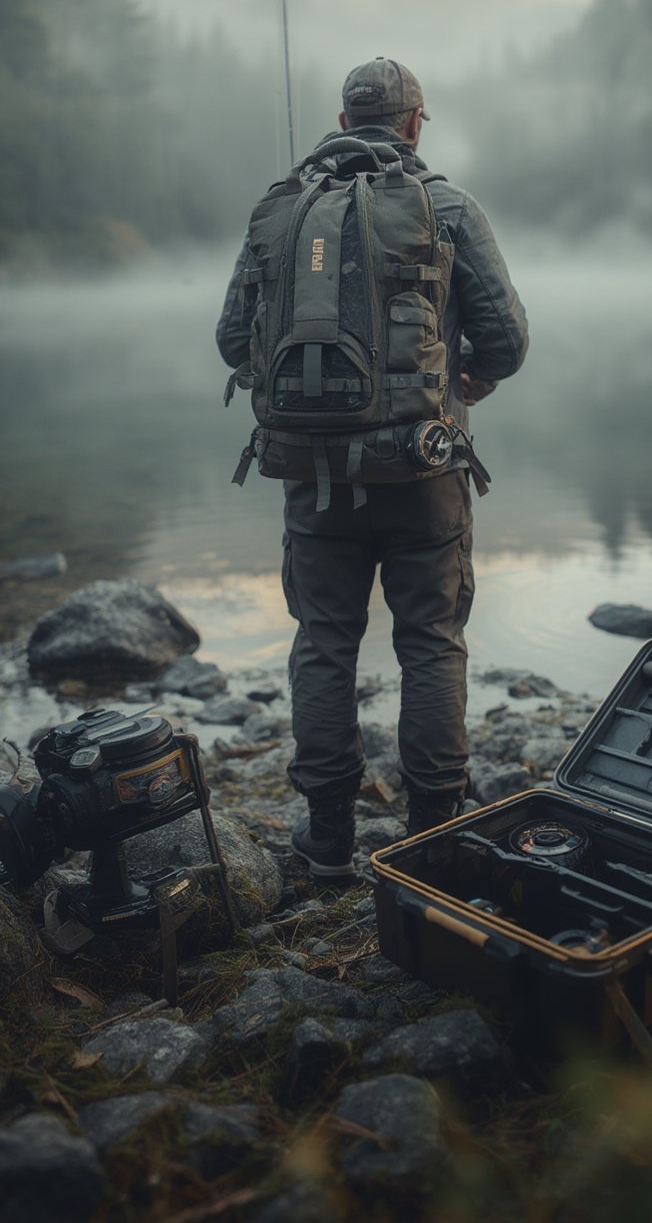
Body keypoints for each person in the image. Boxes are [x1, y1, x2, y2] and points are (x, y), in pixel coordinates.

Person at [217, 58, 528, 878]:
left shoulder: (280, 209)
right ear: (416, 121)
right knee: (430, 640)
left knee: (324, 642)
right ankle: (432, 832)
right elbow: (508, 340)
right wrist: (473, 376)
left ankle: (326, 838)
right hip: (425, 474)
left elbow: (229, 341)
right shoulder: (449, 206)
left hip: (313, 475)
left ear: (344, 119)